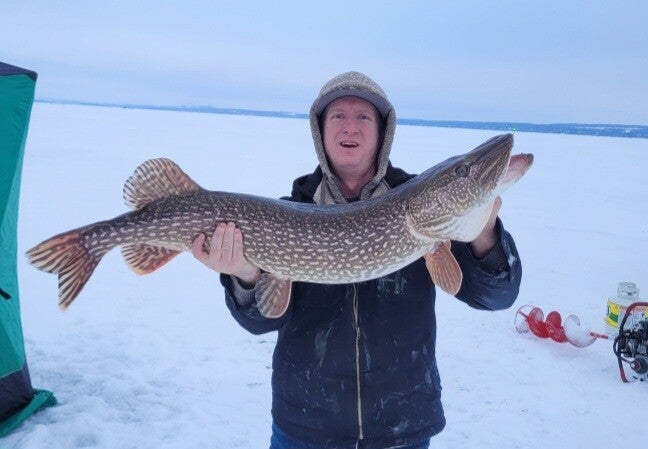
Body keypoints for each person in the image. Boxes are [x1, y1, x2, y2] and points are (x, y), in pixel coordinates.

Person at [192, 71, 522, 449]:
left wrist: (484, 231)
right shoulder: (287, 214)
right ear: (320, 131)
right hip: (305, 428)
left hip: (402, 428)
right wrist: (244, 275)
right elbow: (261, 320)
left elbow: (497, 297)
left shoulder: (427, 210)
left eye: (363, 117)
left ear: (382, 133)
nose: (351, 127)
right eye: (338, 116)